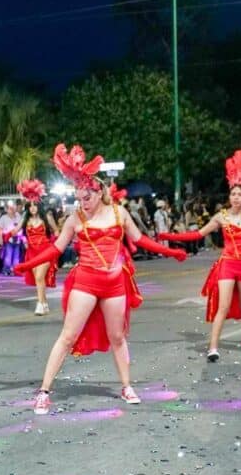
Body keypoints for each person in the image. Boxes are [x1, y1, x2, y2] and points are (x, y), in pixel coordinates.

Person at [15, 144, 186, 415]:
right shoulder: (75, 218)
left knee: (117, 336)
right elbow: (56, 248)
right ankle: (44, 391)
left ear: (99, 192)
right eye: (79, 198)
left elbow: (140, 239)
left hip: (114, 284)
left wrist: (171, 252)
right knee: (68, 336)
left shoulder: (119, 213)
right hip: (86, 281)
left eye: (87, 197)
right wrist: (28, 264)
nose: (83, 203)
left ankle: (127, 386)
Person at [159, 151, 241, 361]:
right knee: (223, 305)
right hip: (227, 265)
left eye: (240, 194)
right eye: (233, 194)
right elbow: (198, 234)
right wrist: (169, 236)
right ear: (229, 197)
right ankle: (213, 347)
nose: (236, 197)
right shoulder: (221, 216)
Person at [14, 179, 57, 315]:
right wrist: (5, 234)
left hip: (45, 252)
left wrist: (54, 246)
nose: (32, 208)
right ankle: (44, 303)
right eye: (30, 206)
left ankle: (40, 305)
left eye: (35, 205)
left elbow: (57, 232)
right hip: (32, 253)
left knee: (39, 277)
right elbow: (15, 231)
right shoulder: (25, 219)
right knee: (39, 279)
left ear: (39, 205)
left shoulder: (47, 217)